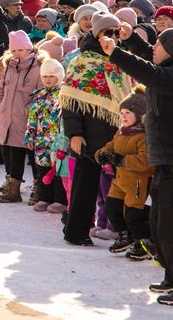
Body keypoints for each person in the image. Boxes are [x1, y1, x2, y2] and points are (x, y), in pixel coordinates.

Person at [101, 27, 173, 306]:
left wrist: (117, 53)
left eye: (159, 43)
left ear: (172, 50)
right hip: (166, 160)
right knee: (159, 223)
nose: (154, 48)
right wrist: (131, 39)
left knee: (172, 226)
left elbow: (151, 73)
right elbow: (151, 61)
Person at [60, 13, 132, 245]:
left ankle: (123, 231)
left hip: (118, 133)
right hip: (89, 135)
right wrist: (75, 134)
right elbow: (70, 102)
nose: (111, 37)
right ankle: (77, 232)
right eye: (106, 33)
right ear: (96, 34)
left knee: (121, 186)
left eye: (115, 33)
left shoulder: (121, 60)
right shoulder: (82, 62)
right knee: (84, 187)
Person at [95, 87, 154, 260]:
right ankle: (125, 235)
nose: (124, 116)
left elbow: (146, 161)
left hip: (137, 182)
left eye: (128, 112)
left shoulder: (143, 136)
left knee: (134, 216)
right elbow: (110, 147)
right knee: (113, 208)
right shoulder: (121, 132)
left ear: (141, 115)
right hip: (120, 180)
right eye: (121, 113)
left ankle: (142, 243)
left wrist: (121, 160)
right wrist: (102, 154)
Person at [0, 31, 45, 203]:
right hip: (9, 118)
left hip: (29, 121)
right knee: (14, 155)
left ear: (29, 48)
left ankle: (39, 190)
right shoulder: (9, 66)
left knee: (33, 156)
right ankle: (13, 189)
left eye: (21, 50)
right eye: (14, 51)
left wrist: (29, 111)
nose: (17, 54)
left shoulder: (38, 67)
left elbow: (41, 94)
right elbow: (1, 89)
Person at [24, 58, 69, 212]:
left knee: (57, 170)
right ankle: (44, 198)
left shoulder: (63, 94)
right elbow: (32, 117)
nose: (48, 80)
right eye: (45, 77)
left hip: (57, 141)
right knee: (42, 170)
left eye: (51, 76)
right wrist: (29, 136)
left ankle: (60, 200)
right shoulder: (39, 95)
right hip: (41, 140)